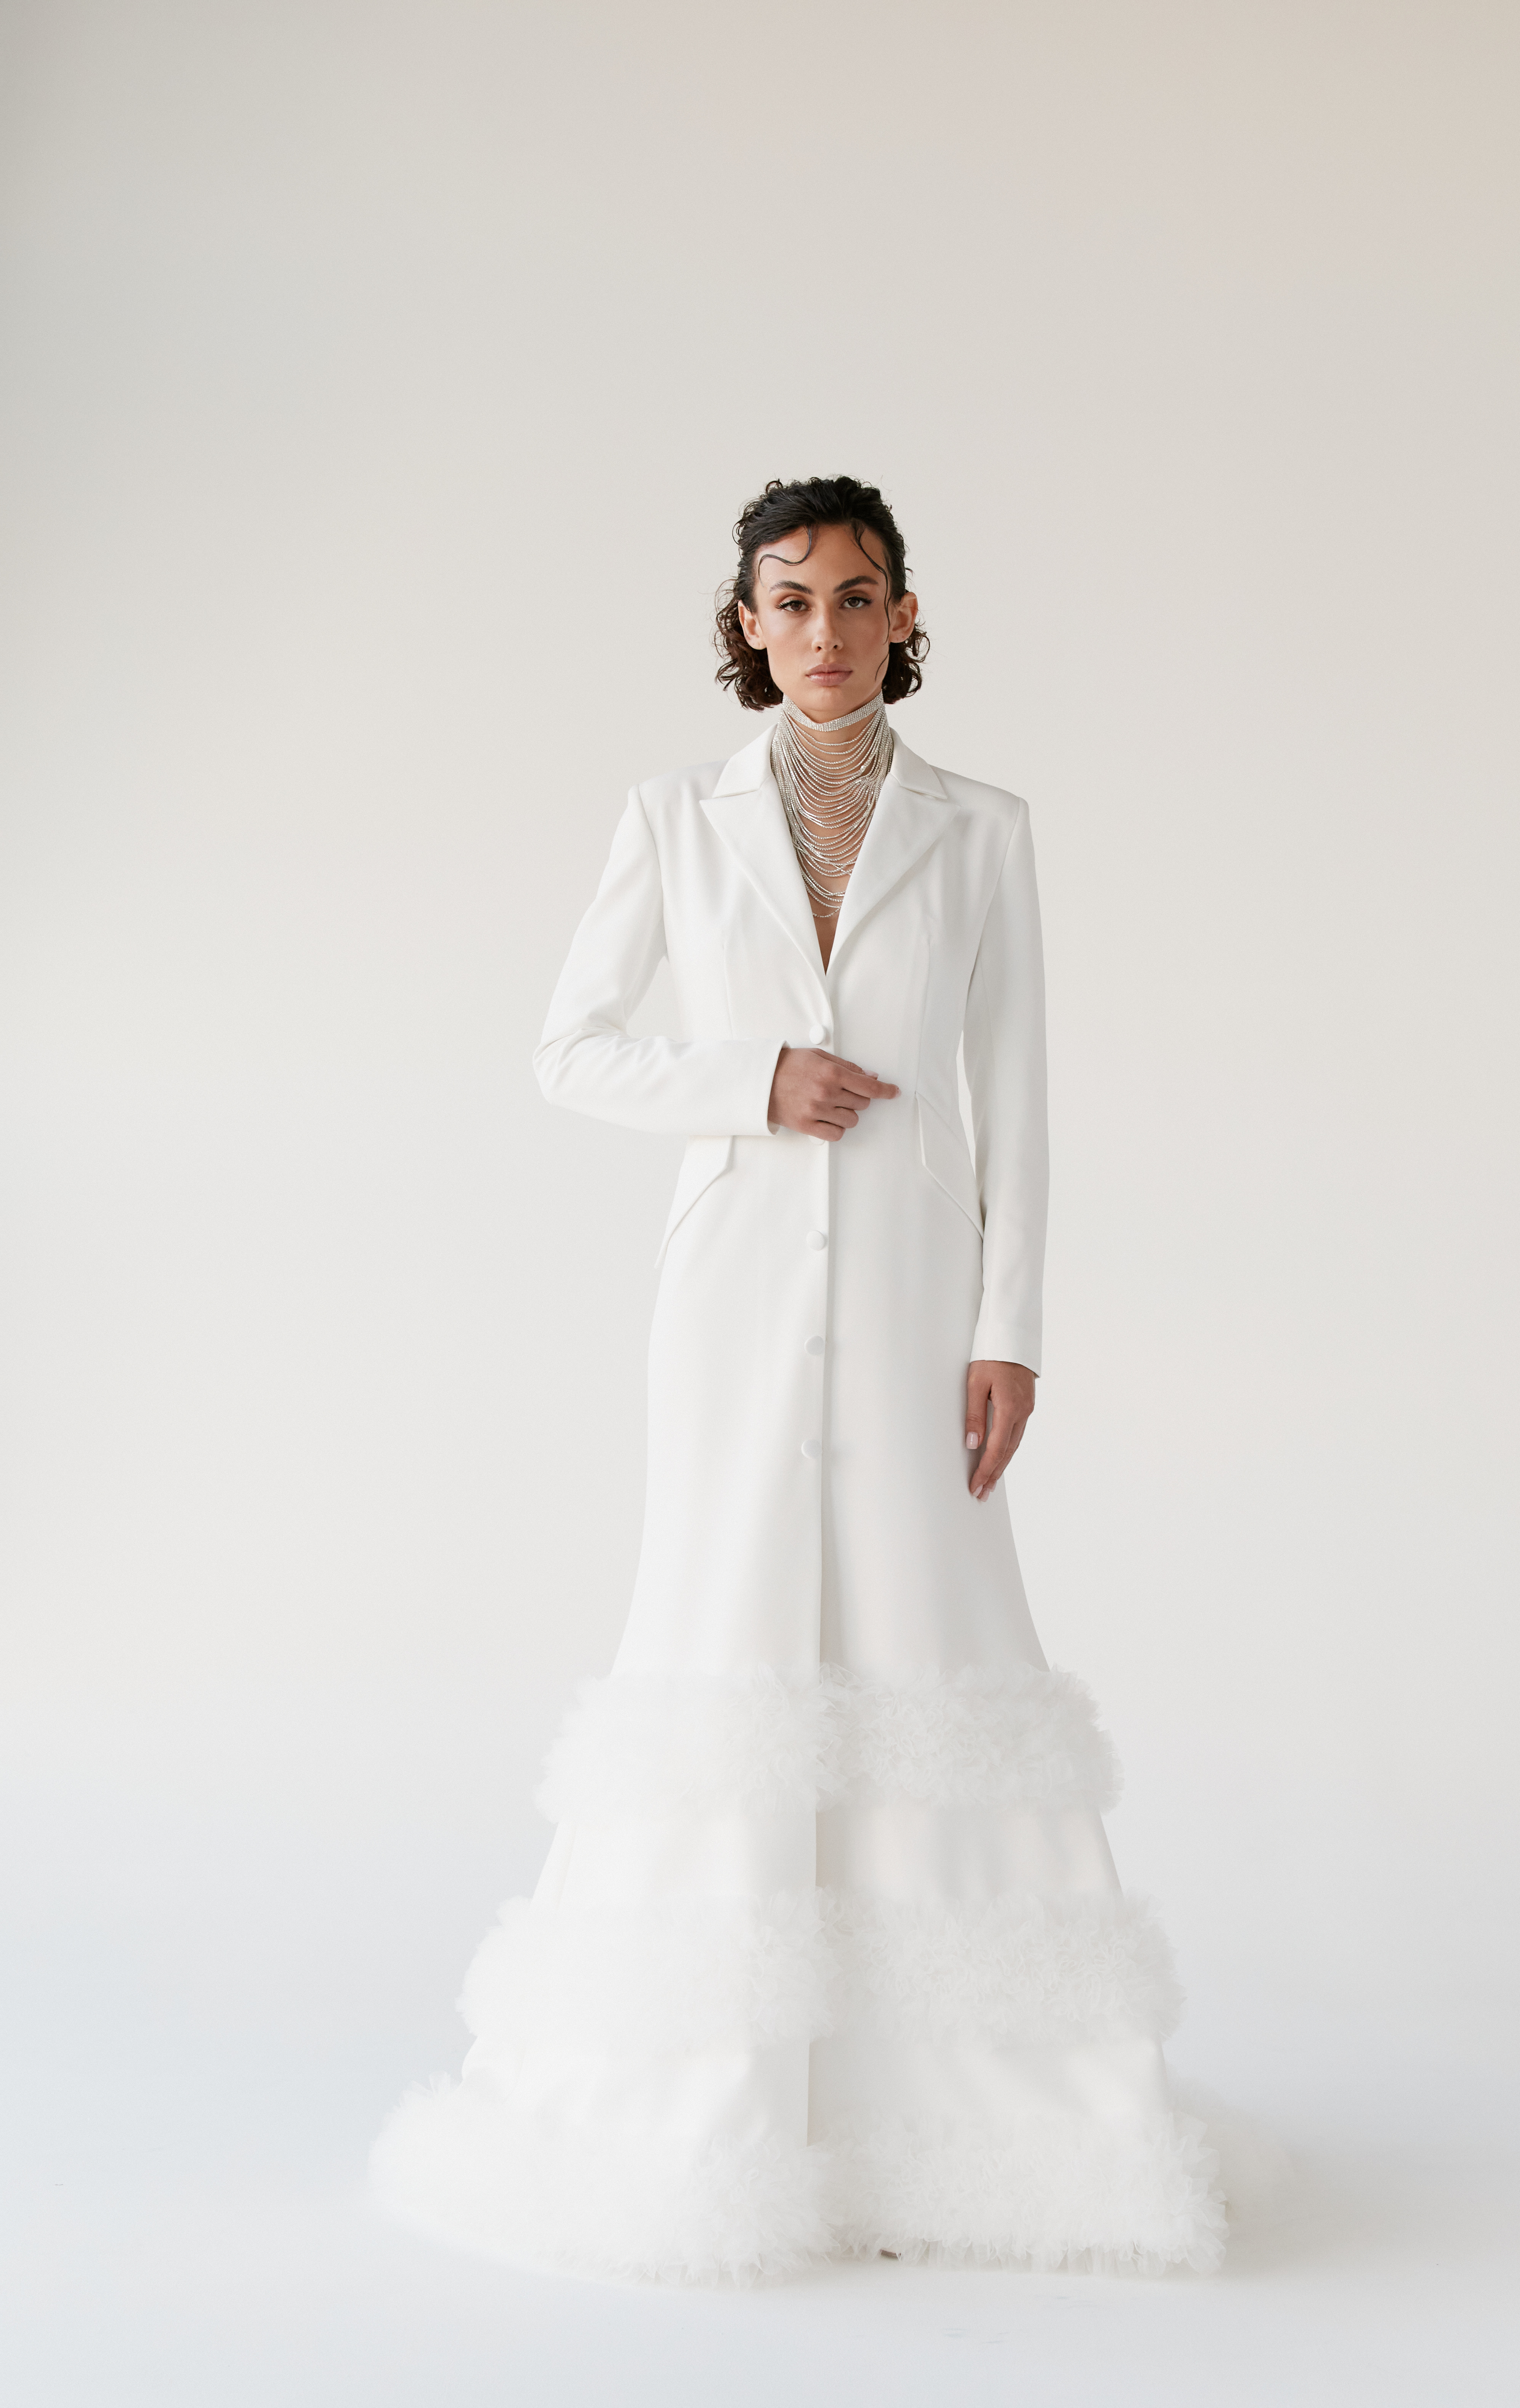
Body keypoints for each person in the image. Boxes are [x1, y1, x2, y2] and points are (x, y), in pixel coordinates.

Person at [373, 475, 1227, 2282]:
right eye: (789, 599)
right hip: (732, 1298)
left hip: (920, 1299)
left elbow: (1017, 1100)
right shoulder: (667, 819)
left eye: (855, 596)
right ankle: (711, 2109)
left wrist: (1010, 1328)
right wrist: (749, 1079)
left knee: (932, 1633)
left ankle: (975, 2124)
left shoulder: (983, 830)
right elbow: (569, 1050)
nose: (822, 630)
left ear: (903, 616)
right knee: (726, 1630)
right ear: (745, 623)